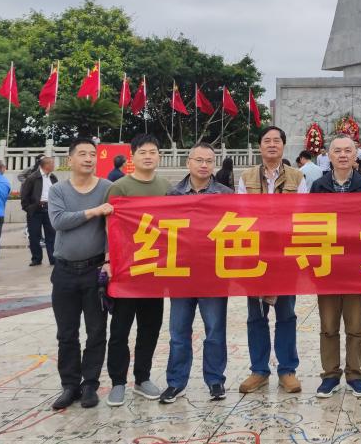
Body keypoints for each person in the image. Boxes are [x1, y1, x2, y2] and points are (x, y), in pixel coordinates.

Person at [236, 125, 307, 394]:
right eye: (267, 140)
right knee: (256, 315)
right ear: (260, 146)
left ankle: (287, 370)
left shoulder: (297, 177)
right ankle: (259, 370)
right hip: (255, 254)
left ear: (283, 145)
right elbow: (241, 213)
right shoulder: (246, 177)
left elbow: (303, 213)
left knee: (286, 314)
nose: (272, 144)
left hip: (285, 254)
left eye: (277, 140)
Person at [161, 143, 233, 403]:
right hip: (181, 273)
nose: (204, 165)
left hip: (213, 273)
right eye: (199, 160)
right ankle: (176, 382)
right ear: (188, 162)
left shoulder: (225, 194)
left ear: (214, 164)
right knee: (179, 332)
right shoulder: (173, 195)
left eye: (209, 161)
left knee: (214, 330)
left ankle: (215, 380)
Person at [48, 137, 113, 410]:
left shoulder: (107, 188)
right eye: (83, 154)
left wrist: (109, 259)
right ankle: (69, 385)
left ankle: (89, 385)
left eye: (92, 154)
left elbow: (114, 226)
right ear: (70, 159)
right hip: (64, 271)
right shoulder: (58, 190)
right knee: (66, 333)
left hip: (94, 271)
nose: (88, 159)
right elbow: (58, 221)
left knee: (96, 331)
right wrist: (94, 211)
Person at [105, 133, 170, 405]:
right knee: (120, 329)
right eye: (143, 152)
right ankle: (118, 382)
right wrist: (108, 260)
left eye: (153, 152)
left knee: (150, 327)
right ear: (132, 156)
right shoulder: (119, 187)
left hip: (155, 270)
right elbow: (109, 227)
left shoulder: (166, 187)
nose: (148, 156)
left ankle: (142, 378)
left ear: (159, 156)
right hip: (126, 270)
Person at [309, 134, 361, 398]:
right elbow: (310, 224)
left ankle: (355, 374)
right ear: (329, 155)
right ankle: (330, 375)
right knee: (328, 325)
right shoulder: (318, 186)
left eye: (348, 150)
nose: (343, 155)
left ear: (355, 155)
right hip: (327, 264)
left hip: (356, 266)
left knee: (355, 326)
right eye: (338, 151)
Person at [20, 156, 58, 266]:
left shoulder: (53, 178)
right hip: (35, 210)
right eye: (52, 163)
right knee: (34, 235)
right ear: (46, 165)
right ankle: (36, 258)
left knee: (51, 235)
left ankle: (53, 258)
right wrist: (28, 208)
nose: (54, 165)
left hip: (49, 209)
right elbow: (24, 195)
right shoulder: (32, 178)